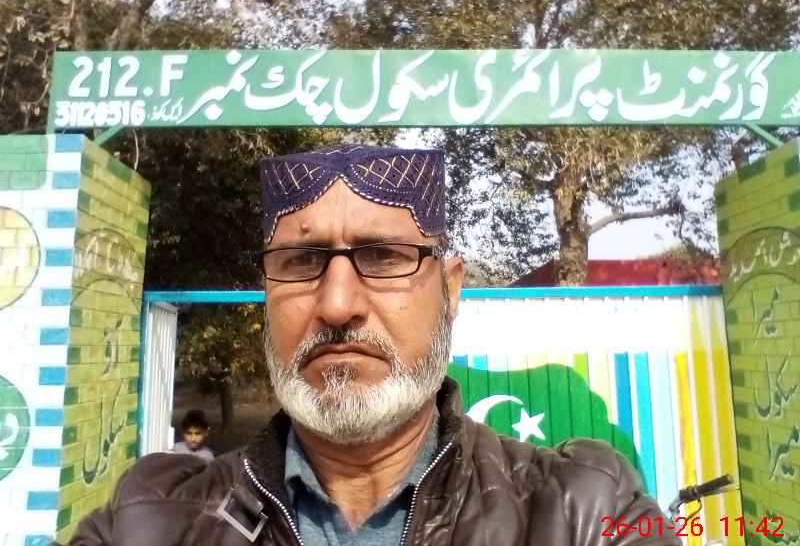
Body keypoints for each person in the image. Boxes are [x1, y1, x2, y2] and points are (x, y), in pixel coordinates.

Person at [68, 144, 679, 545]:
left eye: (384, 256)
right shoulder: (149, 519)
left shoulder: (581, 511)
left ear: (450, 289)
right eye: (301, 261)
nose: (337, 305)